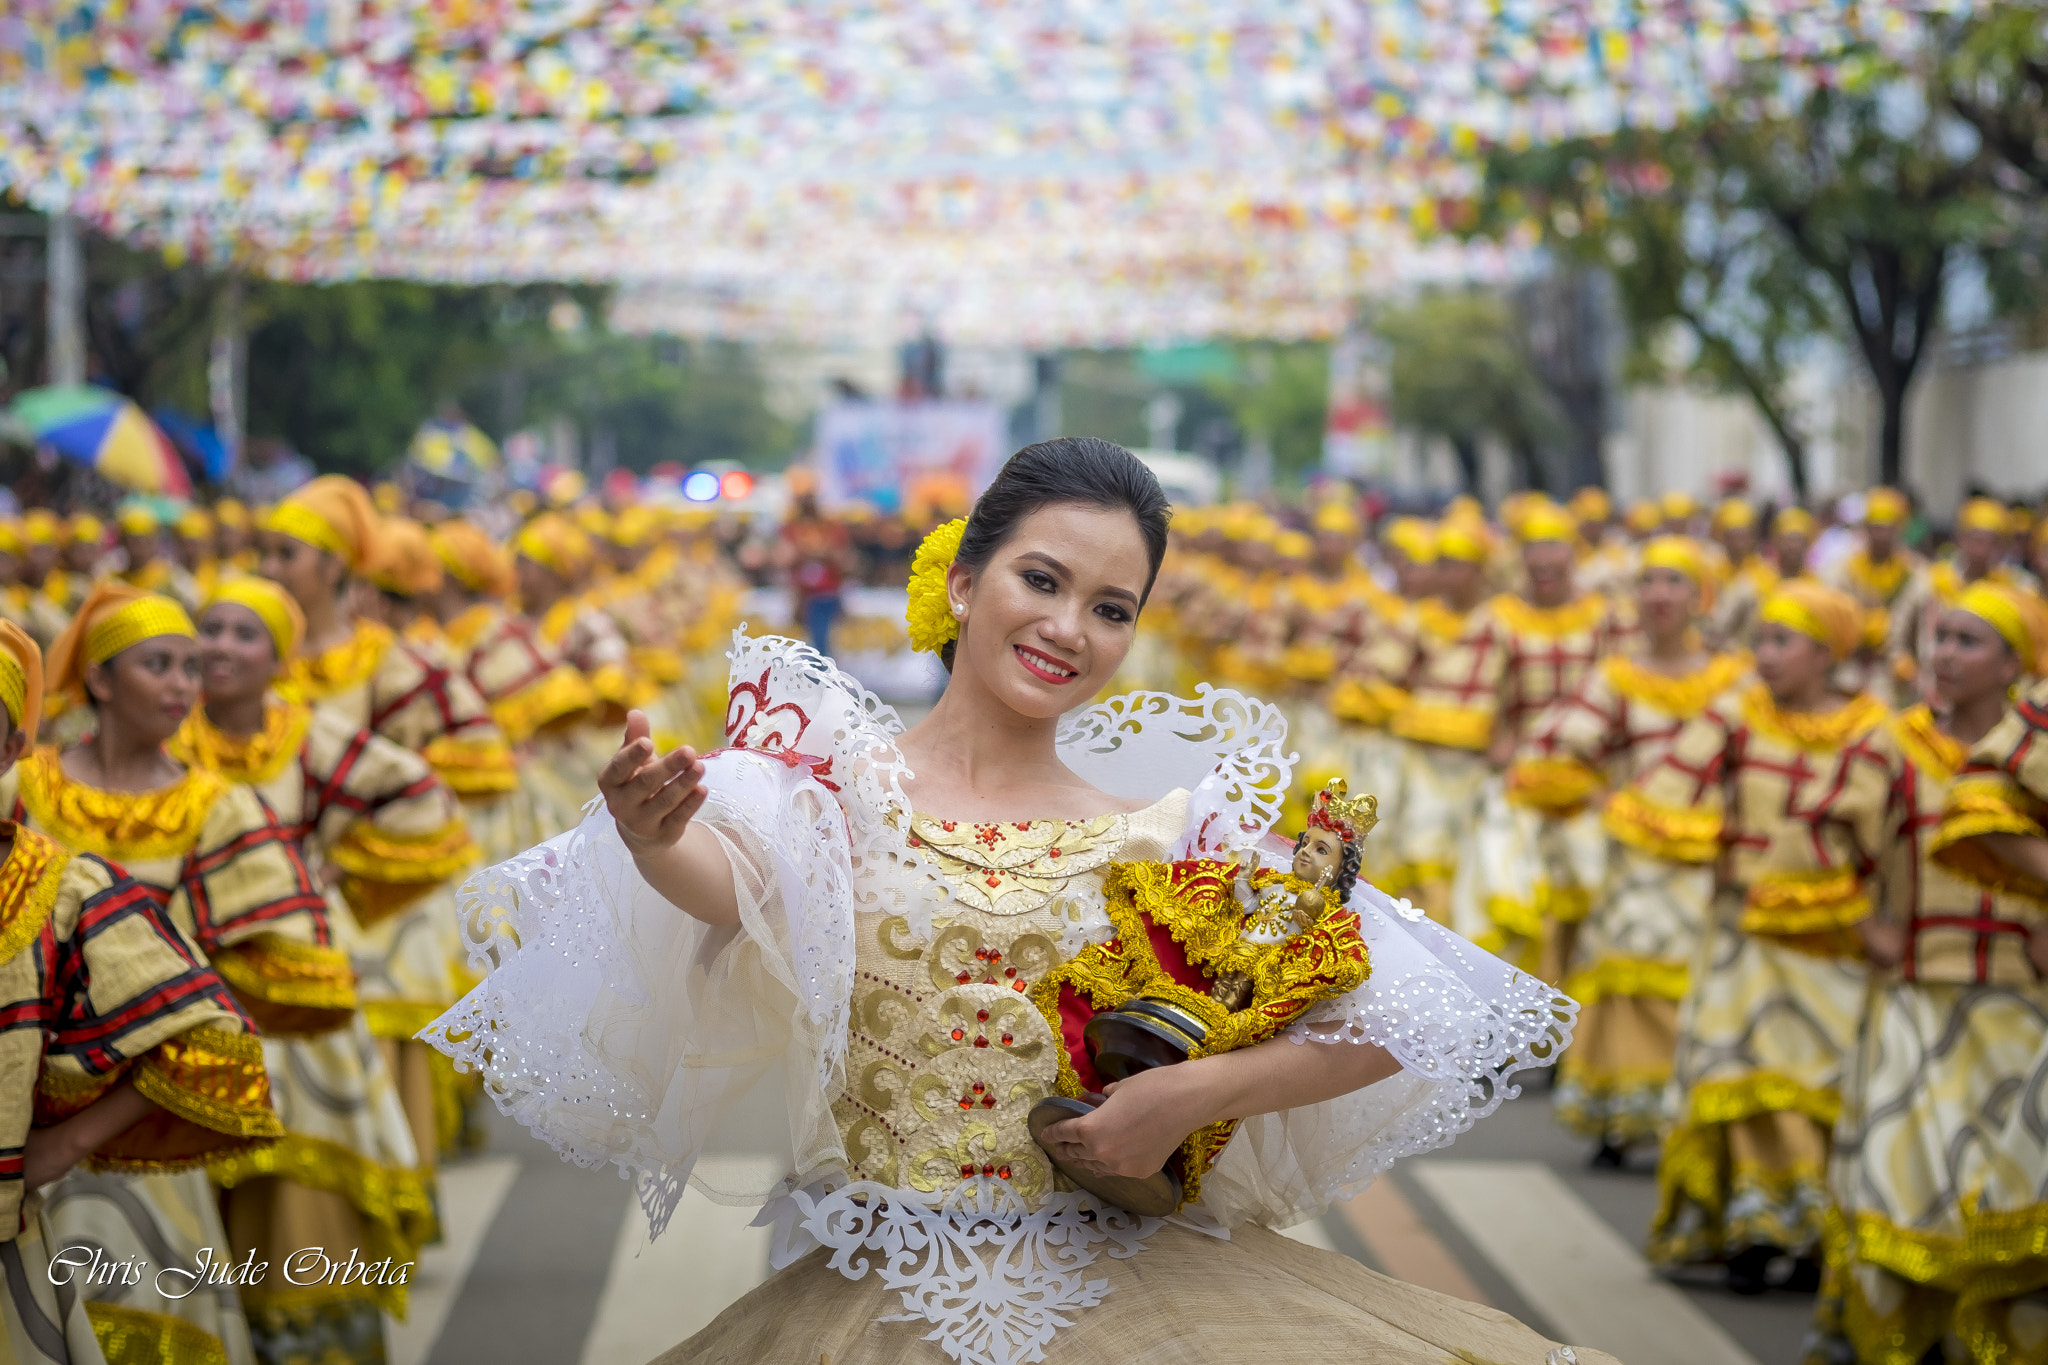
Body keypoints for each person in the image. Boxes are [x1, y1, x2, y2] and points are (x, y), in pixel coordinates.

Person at [422, 439, 1603, 1365]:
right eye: (1042, 580)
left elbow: (1401, 1019)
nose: (1066, 629)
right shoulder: (829, 792)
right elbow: (732, 888)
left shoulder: (1170, 833)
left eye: (1109, 606)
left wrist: (1193, 1092)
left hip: (1129, 1295)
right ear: (965, 576)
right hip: (871, 1297)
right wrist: (650, 837)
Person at [17, 584, 350, 1361]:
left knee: (145, 1295)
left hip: (141, 1111)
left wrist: (184, 1000)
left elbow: (292, 956)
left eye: (191, 667)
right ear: (99, 678)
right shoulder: (23, 787)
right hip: (16, 1093)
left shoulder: (218, 805)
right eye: (158, 664)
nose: (182, 685)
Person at [171, 577, 476, 1361]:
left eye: (245, 634)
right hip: (174, 973)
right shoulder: (166, 736)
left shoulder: (309, 736)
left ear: (280, 658)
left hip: (294, 976)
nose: (220, 649)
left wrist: (338, 867)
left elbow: (423, 794)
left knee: (294, 1165)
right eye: (210, 630)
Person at [1611, 580, 1902, 1293]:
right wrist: (1718, 840)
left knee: (1817, 1083)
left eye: (1783, 641)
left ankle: (1809, 1236)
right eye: (1761, 638)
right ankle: (1749, 1224)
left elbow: (1896, 839)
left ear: (1828, 652)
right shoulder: (1735, 713)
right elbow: (1667, 791)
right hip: (1741, 934)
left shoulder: (1876, 729)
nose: (1764, 654)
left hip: (1832, 943)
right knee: (1733, 1072)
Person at [1808, 583, 2048, 1364]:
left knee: (1997, 1180)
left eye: (1969, 641)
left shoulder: (2032, 750)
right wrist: (1865, 923)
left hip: (2020, 1000)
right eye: (1941, 637)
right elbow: (1817, 840)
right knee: (1901, 1172)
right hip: (1914, 991)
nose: (1945, 655)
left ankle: (1983, 1336)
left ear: (2017, 661)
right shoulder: (1889, 742)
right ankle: (1890, 1337)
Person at [1507, 537, 1749, 1165]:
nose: (1659, 595)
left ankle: (1690, 1116)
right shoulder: (1616, 677)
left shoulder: (1735, 681)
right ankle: (1627, 1116)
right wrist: (1600, 801)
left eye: (1674, 581)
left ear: (1701, 597)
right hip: (1637, 864)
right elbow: (1552, 749)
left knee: (1708, 985)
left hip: (1718, 862)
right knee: (1633, 975)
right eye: (1648, 582)